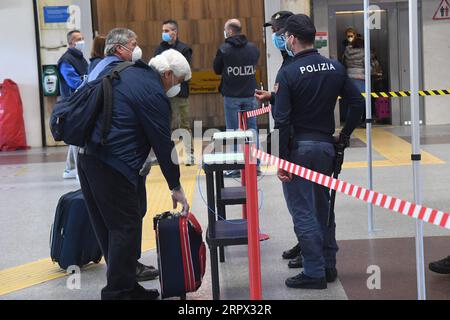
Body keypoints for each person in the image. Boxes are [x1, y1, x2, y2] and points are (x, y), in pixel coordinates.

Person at [78, 28, 192, 300]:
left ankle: (128, 287)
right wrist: (175, 186)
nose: (177, 87)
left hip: (88, 157)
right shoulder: (153, 91)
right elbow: (164, 144)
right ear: (167, 75)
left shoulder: (131, 73)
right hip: (111, 165)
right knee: (125, 227)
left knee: (113, 229)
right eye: (178, 80)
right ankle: (117, 292)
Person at [272, 14, 364, 289]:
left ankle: (313, 272)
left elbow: (282, 120)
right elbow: (357, 104)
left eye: (286, 36)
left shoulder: (287, 72)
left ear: (292, 39)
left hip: (299, 149)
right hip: (325, 147)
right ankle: (328, 265)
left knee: (303, 210)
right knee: (324, 207)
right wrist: (344, 136)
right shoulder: (334, 67)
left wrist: (282, 160)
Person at [87, 28, 159, 284]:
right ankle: (125, 273)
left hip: (100, 154)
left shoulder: (101, 67)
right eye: (133, 44)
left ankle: (124, 270)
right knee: (125, 219)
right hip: (112, 157)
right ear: (119, 48)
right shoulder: (113, 72)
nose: (137, 49)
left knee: (121, 218)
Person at [258, 10, 303, 269]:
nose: (274, 36)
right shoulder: (290, 63)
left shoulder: (292, 65)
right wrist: (272, 97)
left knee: (300, 200)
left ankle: (311, 249)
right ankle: (304, 241)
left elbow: (287, 115)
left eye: (277, 32)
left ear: (289, 35)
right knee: (297, 202)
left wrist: (278, 154)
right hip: (295, 137)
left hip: (294, 141)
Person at [213, 19, 261, 178]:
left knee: (233, 130)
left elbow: (216, 70)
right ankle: (256, 164)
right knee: (252, 129)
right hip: (250, 95)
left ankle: (234, 167)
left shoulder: (224, 49)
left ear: (230, 32)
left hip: (231, 96)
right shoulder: (253, 49)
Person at [154, 20, 195, 166]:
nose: (164, 33)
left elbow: (185, 71)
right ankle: (167, 156)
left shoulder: (184, 49)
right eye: (163, 30)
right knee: (165, 125)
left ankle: (189, 155)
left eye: (167, 30)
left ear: (174, 32)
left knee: (183, 124)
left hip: (180, 92)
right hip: (163, 93)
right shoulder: (159, 49)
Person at [58, 30, 89, 180]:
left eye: (82, 38)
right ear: (71, 42)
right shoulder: (66, 60)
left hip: (81, 100)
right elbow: (74, 82)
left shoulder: (81, 58)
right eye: (78, 39)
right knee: (77, 136)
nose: (82, 41)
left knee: (75, 136)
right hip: (72, 103)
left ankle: (69, 168)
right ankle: (79, 171)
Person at [343, 36, 366, 127]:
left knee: (351, 101)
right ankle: (362, 120)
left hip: (349, 77)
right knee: (362, 101)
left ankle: (350, 121)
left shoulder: (347, 51)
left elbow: (343, 62)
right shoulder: (364, 52)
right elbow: (367, 65)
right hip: (360, 77)